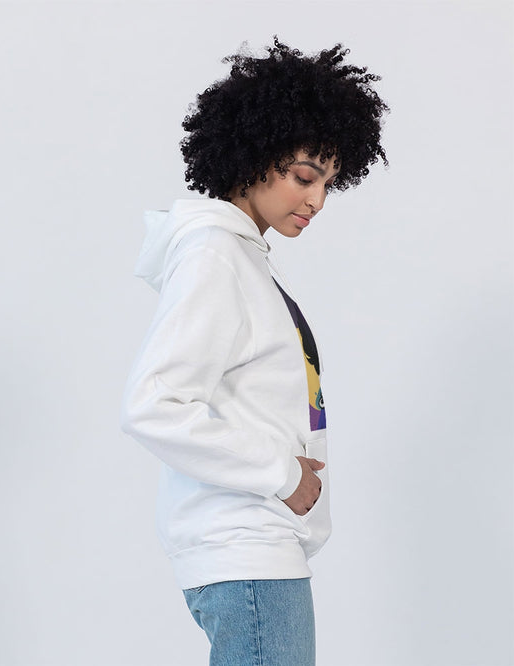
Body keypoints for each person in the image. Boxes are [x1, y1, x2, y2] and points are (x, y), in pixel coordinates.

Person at [120, 35, 389, 666]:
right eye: (304, 177)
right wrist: (283, 474)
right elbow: (153, 405)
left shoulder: (242, 257)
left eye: (329, 183)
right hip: (246, 552)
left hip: (263, 552)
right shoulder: (215, 255)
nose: (317, 200)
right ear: (253, 154)